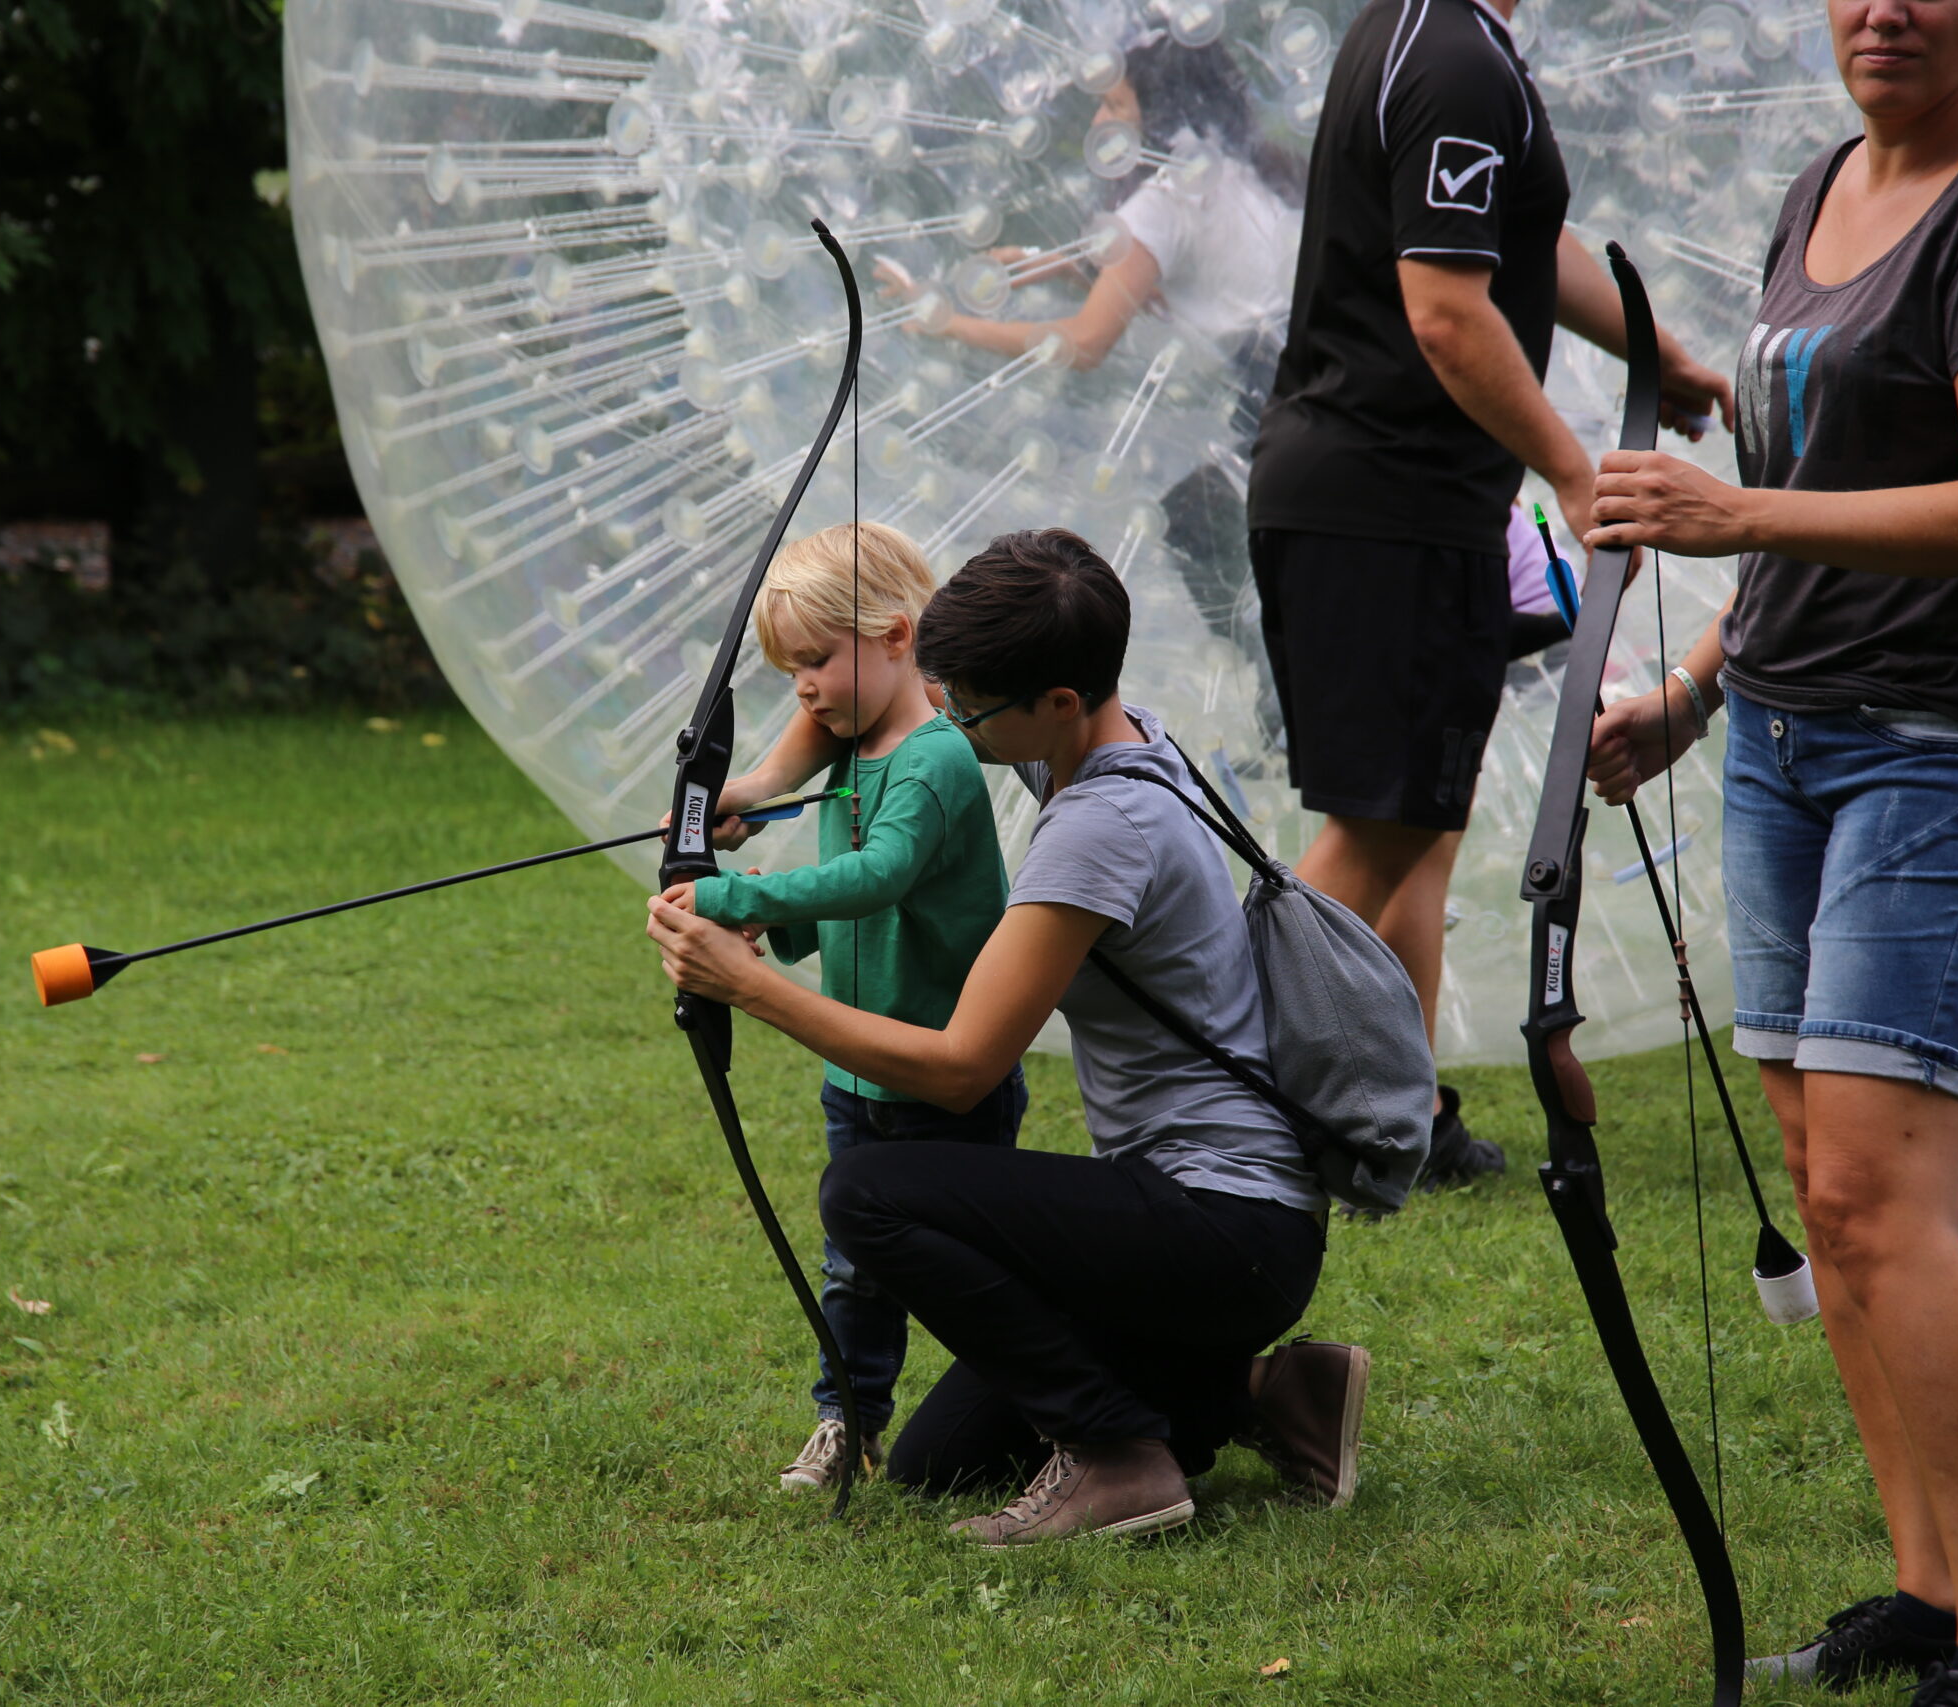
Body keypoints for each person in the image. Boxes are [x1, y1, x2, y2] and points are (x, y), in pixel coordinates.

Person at [1581, 0, 1958, 1698]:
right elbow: (1814, 484)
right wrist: (1685, 687)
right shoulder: (1817, 186)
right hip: (1785, 737)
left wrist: (1731, 513)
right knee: (1827, 1196)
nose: (1886, 6)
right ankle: (1931, 1591)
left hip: (1952, 745)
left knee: (1882, 1203)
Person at [648, 528, 1369, 1544]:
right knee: (944, 1459)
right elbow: (883, 704)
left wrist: (747, 984)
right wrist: (757, 789)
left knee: (866, 1196)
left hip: (1220, 1226)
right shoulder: (1113, 737)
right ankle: (1266, 1391)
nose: (946, 721)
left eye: (968, 707)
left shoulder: (1095, 833)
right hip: (1226, 1222)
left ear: (1056, 703)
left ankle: (1120, 1463)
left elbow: (960, 1072)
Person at [1247, 0, 1731, 1184]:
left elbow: (1517, 238)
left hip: (1398, 505)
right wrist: (1576, 474)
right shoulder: (1453, 56)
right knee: (1372, 830)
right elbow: (1448, 308)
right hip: (1384, 505)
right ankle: (1228, 1119)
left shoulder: (1436, 36)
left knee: (1419, 821)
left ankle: (1394, 1124)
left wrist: (1648, 350)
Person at [670, 521, 1027, 1494]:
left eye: (818, 662)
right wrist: (739, 824)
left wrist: (737, 901)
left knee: (968, 1272)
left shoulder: (933, 760)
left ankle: (1037, 1402)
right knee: (854, 1273)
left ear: (899, 637)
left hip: (942, 1076)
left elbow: (877, 879)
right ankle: (845, 1424)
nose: (806, 690)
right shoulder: (856, 740)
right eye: (790, 672)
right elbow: (849, 891)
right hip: (856, 1073)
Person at [889, 35, 1299, 650]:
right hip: (1324, 364)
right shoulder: (1248, 168)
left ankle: (1278, 692)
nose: (1098, 121)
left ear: (1153, 114)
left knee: (1208, 535)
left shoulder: (1162, 201)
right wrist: (1047, 261)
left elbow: (1083, 343)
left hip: (1273, 392)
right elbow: (1180, 262)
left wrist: (949, 322)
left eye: (1111, 104)